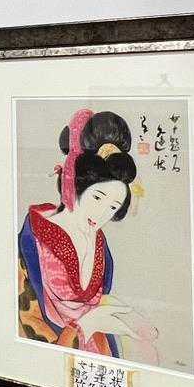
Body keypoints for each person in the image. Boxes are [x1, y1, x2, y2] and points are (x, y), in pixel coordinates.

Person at [17, 109, 159, 360]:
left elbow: (98, 301)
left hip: (97, 348)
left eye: (113, 207)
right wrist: (86, 325)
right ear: (75, 185)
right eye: (97, 197)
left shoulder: (99, 242)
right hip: (51, 353)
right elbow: (26, 321)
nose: (101, 214)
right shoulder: (32, 239)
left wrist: (124, 316)